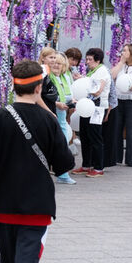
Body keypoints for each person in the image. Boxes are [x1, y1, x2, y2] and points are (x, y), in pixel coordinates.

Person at [0, 60, 75, 263]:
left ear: (13, 85)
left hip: (2, 204)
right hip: (37, 206)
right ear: (39, 88)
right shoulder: (48, 119)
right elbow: (64, 164)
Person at [71, 48, 110, 178]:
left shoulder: (102, 71)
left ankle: (98, 167)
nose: (87, 62)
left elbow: (98, 90)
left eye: (90, 59)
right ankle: (86, 164)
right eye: (86, 59)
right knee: (85, 136)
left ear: (97, 60)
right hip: (85, 106)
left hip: (97, 107)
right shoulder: (92, 71)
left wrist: (84, 86)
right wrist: (81, 79)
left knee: (95, 136)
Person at [50, 53, 77, 184]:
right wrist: (57, 104)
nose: (55, 65)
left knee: (62, 142)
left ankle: (63, 173)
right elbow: (44, 97)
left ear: (64, 66)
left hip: (61, 114)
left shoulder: (65, 78)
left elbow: (69, 94)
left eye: (59, 63)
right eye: (54, 62)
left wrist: (72, 101)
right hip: (50, 113)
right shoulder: (47, 77)